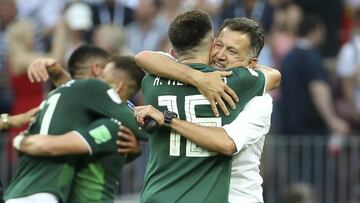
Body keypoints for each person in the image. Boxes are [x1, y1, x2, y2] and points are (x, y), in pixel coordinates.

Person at [134, 16, 279, 203]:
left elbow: (227, 143)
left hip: (236, 197)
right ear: (211, 42)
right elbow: (145, 58)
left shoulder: (259, 100)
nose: (220, 55)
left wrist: (169, 120)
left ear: (252, 64)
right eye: (219, 45)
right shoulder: (185, 77)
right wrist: (198, 78)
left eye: (232, 51)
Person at [4, 46, 146, 203]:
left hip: (23, 190)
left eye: (105, 77)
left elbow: (49, 145)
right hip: (41, 193)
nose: (101, 83)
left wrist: (19, 140)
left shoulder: (58, 98)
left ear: (118, 86)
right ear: (95, 69)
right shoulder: (96, 113)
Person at [280, 15, 349, 136]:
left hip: (288, 127)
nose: (323, 36)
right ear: (314, 31)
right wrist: (332, 120)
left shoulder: (288, 57)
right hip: (310, 128)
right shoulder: (311, 57)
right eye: (321, 32)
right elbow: (318, 89)